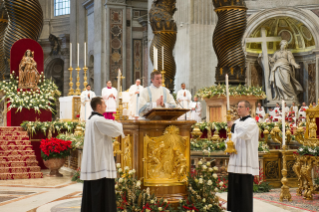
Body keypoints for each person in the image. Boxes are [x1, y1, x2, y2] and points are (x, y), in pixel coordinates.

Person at [81, 97, 124, 212]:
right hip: (100, 164)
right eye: (104, 104)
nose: (106, 106)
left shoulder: (92, 119)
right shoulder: (97, 120)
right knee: (102, 195)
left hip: (95, 162)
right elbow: (115, 129)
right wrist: (120, 124)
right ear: (98, 106)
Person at [226, 100, 259, 212]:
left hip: (246, 162)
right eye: (238, 106)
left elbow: (245, 134)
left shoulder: (252, 122)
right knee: (234, 191)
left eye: (240, 107)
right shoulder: (236, 122)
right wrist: (228, 147)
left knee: (244, 192)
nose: (238, 109)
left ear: (247, 109)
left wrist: (233, 126)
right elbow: (231, 137)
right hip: (235, 161)